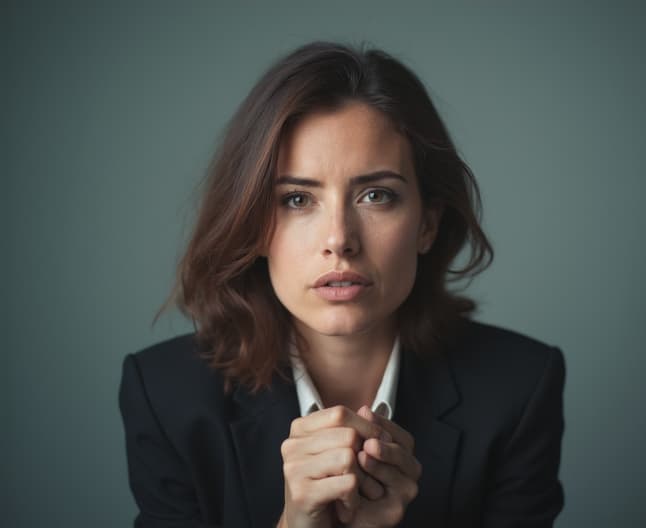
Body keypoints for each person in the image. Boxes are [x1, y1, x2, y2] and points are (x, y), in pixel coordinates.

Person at [119, 41, 566, 528]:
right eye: (296, 200)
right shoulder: (166, 396)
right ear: (253, 226)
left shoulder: (518, 388)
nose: (339, 240)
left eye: (376, 195)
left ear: (427, 225)